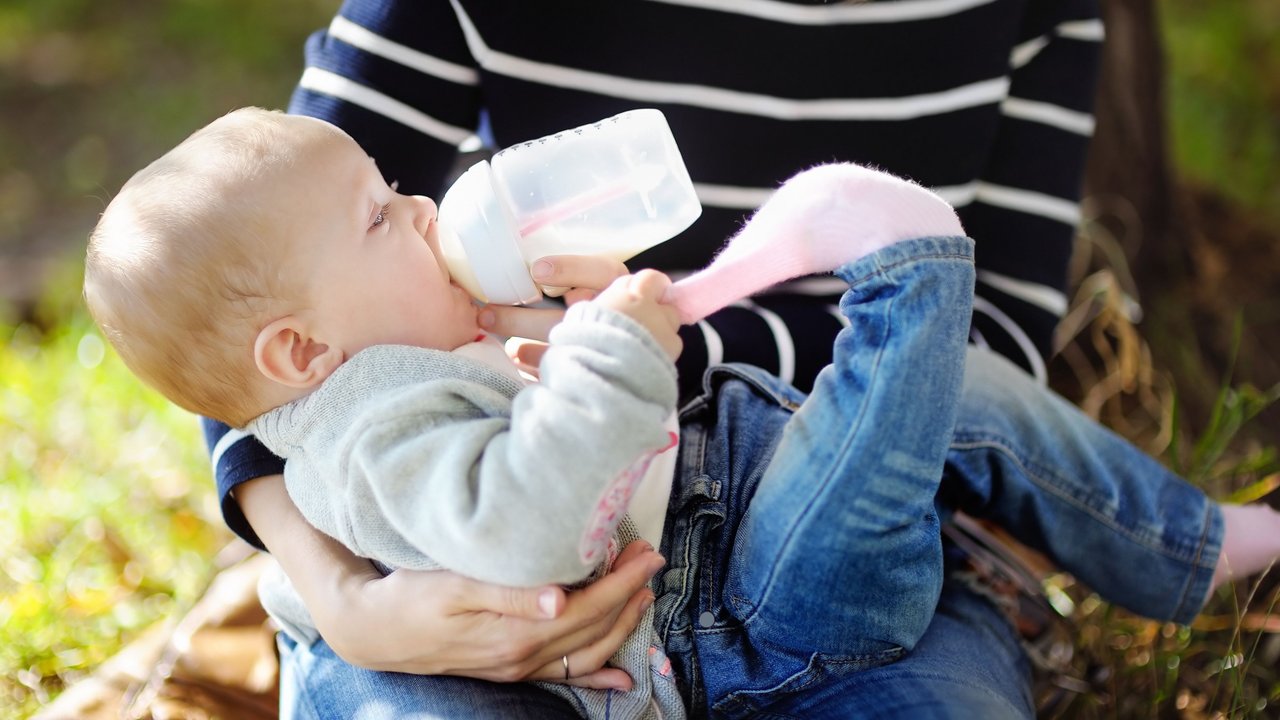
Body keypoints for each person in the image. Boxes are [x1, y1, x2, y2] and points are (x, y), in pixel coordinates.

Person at [86, 108, 1280, 719]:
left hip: (737, 544)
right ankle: (905, 270)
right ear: (302, 350)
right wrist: (330, 593)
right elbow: (522, 524)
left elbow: (539, 431)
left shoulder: (397, 351)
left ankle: (1187, 545)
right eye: (377, 215)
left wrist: (567, 329)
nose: (416, 207)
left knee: (960, 399)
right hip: (716, 606)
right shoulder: (360, 424)